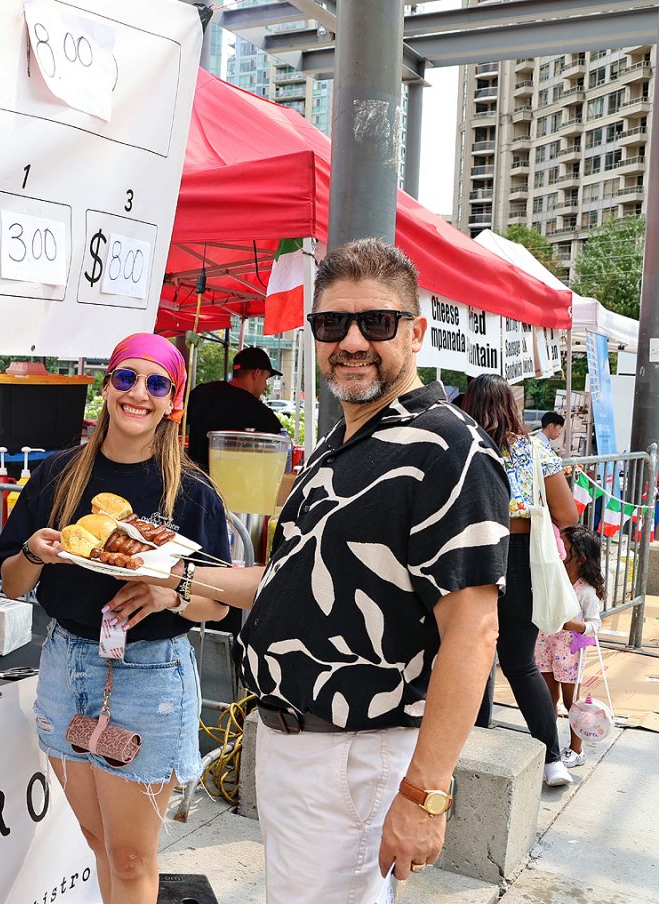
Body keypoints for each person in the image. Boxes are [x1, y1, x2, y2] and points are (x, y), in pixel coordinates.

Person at [113, 238, 511, 901]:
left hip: (354, 754)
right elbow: (285, 581)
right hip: (295, 745)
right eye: (332, 324)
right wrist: (174, 578)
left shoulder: (448, 449)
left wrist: (426, 794)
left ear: (415, 332)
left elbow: (474, 633)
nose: (351, 341)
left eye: (376, 322)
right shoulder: (341, 442)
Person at [0, 332, 231, 904]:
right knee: (98, 840)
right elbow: (12, 581)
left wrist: (168, 597)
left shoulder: (191, 490)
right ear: (106, 387)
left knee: (130, 856)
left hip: (150, 676)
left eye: (156, 384)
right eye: (126, 377)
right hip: (65, 666)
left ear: (173, 400)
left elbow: (219, 601)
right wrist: (34, 553)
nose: (138, 394)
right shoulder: (57, 474)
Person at [463, 374, 579, 787]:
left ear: (470, 404)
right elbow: (568, 514)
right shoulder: (534, 448)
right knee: (520, 663)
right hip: (522, 559)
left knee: (470, 655)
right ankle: (553, 760)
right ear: (511, 406)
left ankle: (470, 747)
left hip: (470, 556)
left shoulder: (462, 443)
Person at [535, 524, 605, 768]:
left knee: (571, 702)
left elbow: (595, 624)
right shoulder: (554, 579)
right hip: (544, 644)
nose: (557, 549)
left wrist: (574, 626)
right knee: (547, 699)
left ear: (580, 557)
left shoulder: (586, 591)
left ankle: (577, 750)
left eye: (562, 546)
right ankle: (548, 745)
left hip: (570, 650)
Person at [185, 347, 283, 470]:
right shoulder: (260, 413)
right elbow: (279, 446)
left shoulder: (200, 392)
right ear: (256, 373)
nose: (265, 385)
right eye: (266, 379)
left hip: (193, 477)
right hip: (230, 480)